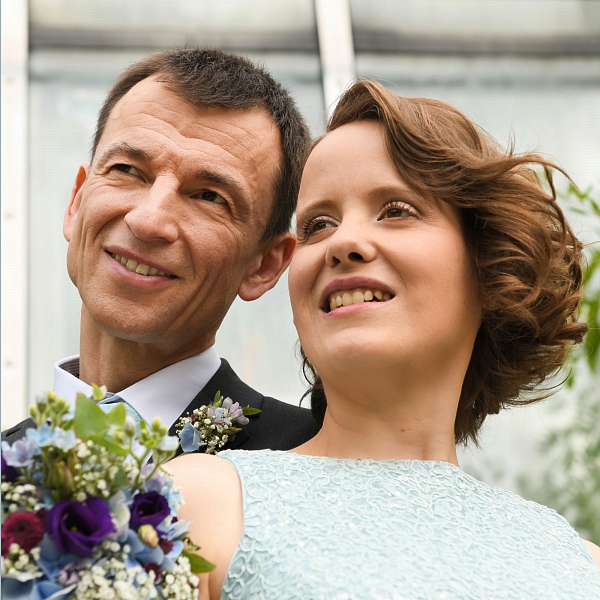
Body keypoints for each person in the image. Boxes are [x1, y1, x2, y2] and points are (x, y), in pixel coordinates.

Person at [170, 80, 600, 599]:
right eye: (318, 224)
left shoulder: (581, 564)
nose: (344, 242)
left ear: (489, 262)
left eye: (396, 210)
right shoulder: (195, 502)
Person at [1, 48, 319, 451]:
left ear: (265, 265)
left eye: (208, 196)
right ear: (76, 202)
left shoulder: (314, 459)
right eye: (127, 170)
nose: (147, 221)